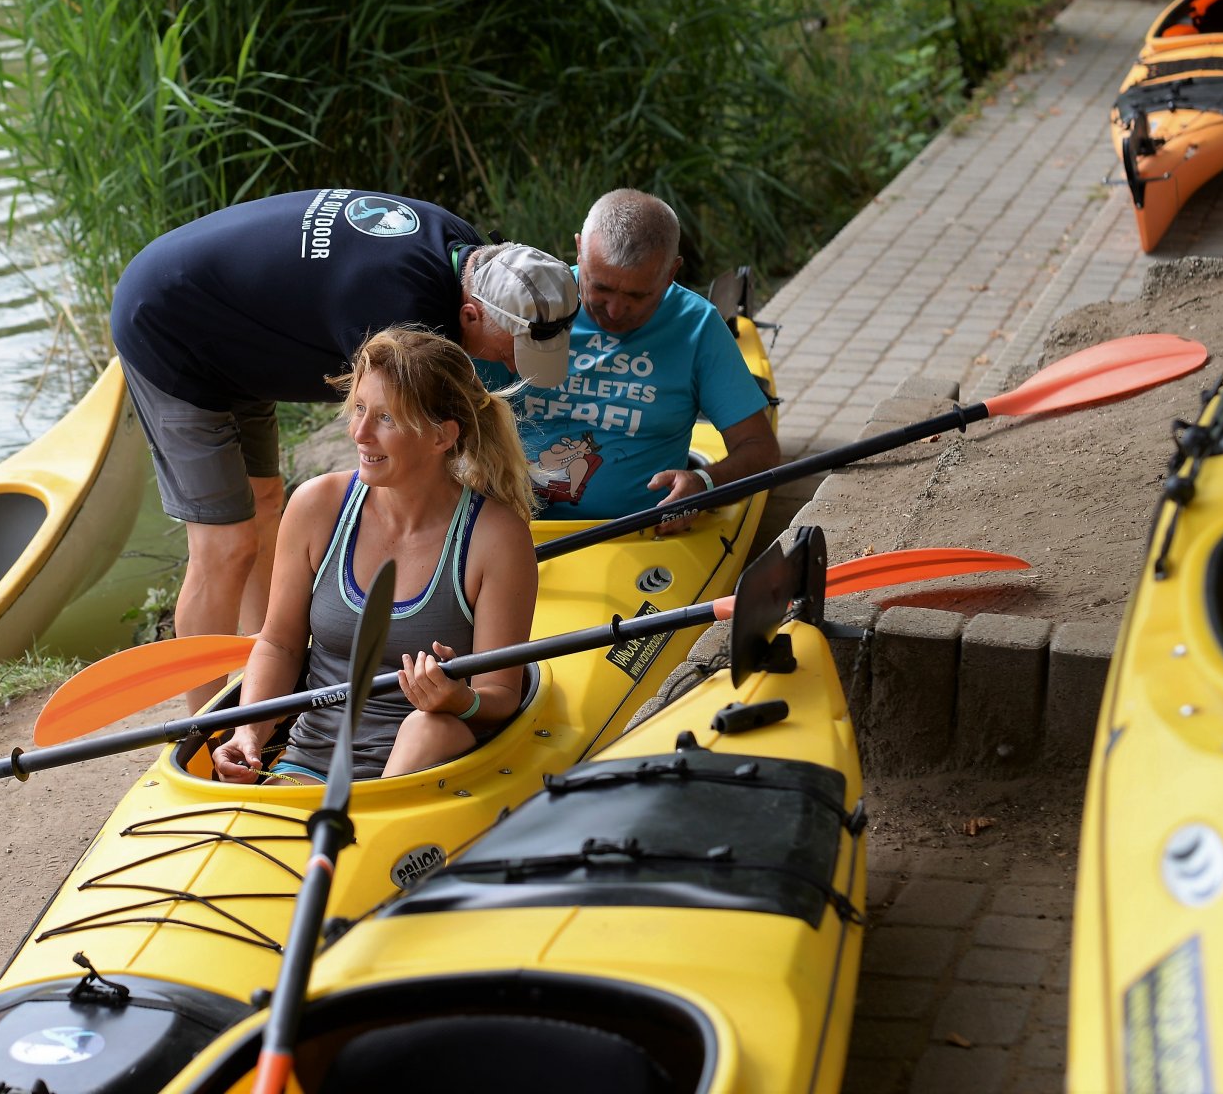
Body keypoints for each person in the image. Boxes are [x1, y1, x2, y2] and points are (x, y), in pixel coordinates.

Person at [110, 188, 577, 709]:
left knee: (265, 505)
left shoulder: (469, 257)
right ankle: (204, 726)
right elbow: (379, 432)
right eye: (512, 351)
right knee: (225, 544)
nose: (512, 366)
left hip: (236, 332)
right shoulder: (401, 312)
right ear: (469, 315)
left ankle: (263, 689)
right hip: (170, 324)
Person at [210, 328, 538, 783]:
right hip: (309, 762)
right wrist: (248, 733)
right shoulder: (315, 506)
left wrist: (459, 701)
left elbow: (501, 695)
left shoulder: (497, 537)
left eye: (386, 418)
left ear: (441, 436)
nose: (359, 433)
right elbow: (279, 644)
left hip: (423, 766)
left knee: (426, 727)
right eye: (360, 409)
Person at [479, 188, 779, 531]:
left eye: (638, 295)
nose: (614, 310)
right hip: (516, 528)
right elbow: (457, 422)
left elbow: (760, 449)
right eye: (600, 288)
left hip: (639, 534)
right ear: (579, 250)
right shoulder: (525, 303)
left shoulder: (697, 326)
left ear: (672, 272)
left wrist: (705, 483)